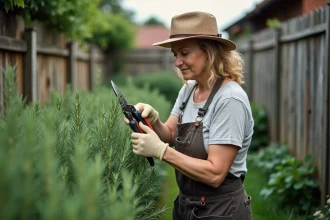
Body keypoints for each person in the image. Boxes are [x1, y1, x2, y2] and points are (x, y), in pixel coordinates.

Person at [128, 11, 254, 220]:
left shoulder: (230, 100)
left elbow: (215, 173)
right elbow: (169, 133)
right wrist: (153, 119)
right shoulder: (189, 90)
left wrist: (162, 152)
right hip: (188, 206)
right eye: (175, 54)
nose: (177, 62)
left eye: (184, 53)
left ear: (209, 52)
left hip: (221, 210)